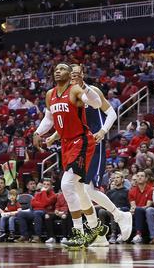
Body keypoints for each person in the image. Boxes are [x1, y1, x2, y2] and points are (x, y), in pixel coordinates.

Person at [48, 64, 132, 245]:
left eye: (78, 74)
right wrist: (54, 135)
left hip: (94, 141)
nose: (75, 77)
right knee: (80, 189)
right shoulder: (69, 94)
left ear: (83, 75)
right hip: (77, 143)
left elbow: (111, 113)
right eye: (73, 74)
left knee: (87, 188)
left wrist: (103, 131)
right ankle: (99, 235)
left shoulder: (91, 91)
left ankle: (119, 216)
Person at [33, 63, 106, 249]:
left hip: (81, 141)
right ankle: (95, 227)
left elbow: (96, 103)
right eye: (56, 69)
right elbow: (49, 119)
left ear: (69, 74)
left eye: (62, 69)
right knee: (78, 190)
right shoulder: (50, 94)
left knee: (66, 184)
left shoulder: (74, 90)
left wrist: (86, 93)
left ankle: (79, 233)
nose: (58, 71)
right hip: (66, 144)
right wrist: (37, 133)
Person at [128, 170, 154, 244]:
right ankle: (121, 234)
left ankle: (138, 234)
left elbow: (148, 205)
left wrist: (136, 209)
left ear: (146, 178)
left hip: (146, 211)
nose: (139, 178)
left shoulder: (151, 189)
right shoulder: (131, 191)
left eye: (142, 176)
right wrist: (133, 209)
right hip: (136, 211)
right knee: (123, 210)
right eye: (138, 176)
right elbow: (133, 205)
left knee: (138, 210)